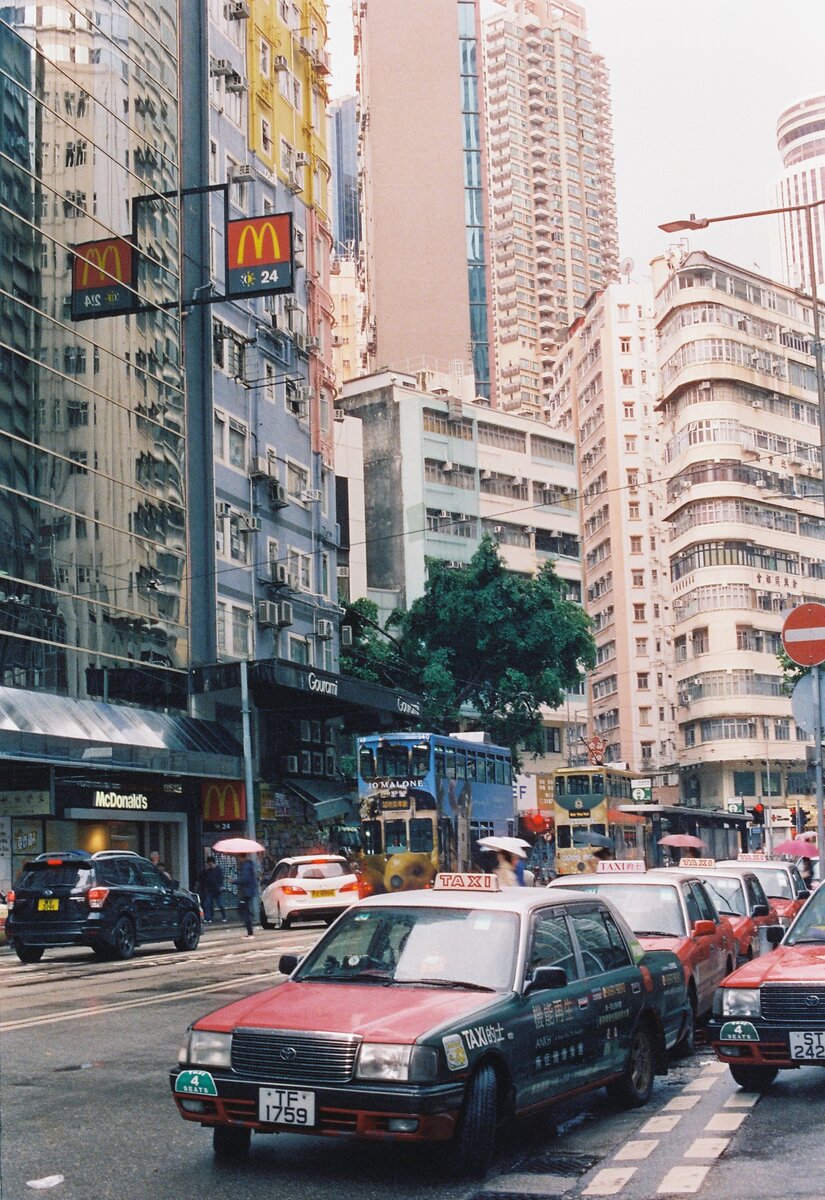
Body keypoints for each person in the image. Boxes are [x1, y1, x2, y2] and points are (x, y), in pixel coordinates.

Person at [197, 856, 227, 924]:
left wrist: (220, 886)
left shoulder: (218, 869)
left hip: (217, 890)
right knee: (207, 904)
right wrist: (205, 870)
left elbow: (221, 878)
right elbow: (202, 877)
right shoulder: (207, 870)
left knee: (220, 904)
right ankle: (208, 918)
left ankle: (224, 916)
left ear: (211, 862)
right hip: (209, 890)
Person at [236, 854, 257, 937]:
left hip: (246, 892)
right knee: (245, 909)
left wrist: (234, 881)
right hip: (247, 891)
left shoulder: (246, 866)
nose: (238, 859)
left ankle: (249, 929)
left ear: (241, 857)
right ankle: (249, 928)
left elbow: (244, 879)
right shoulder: (247, 865)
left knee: (244, 910)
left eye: (238, 857)